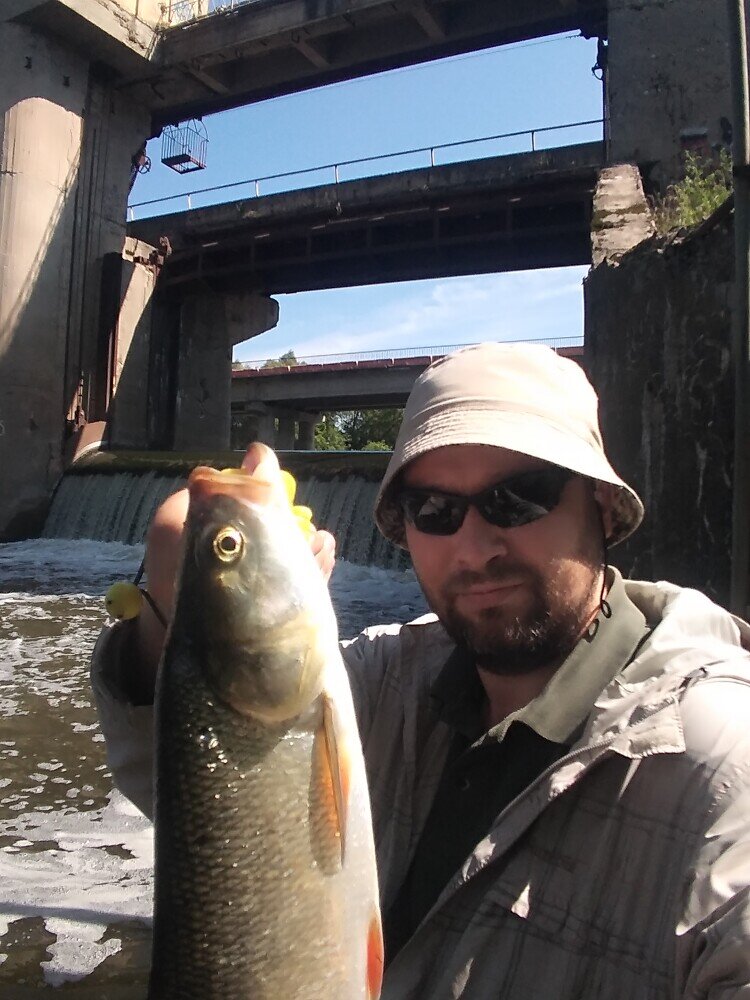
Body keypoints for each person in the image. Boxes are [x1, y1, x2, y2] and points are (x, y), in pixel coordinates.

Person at [91, 342, 750, 998]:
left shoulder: (724, 767)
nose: (474, 548)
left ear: (602, 506)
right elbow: (204, 796)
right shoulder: (387, 682)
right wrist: (178, 618)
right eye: (435, 510)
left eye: (519, 497)